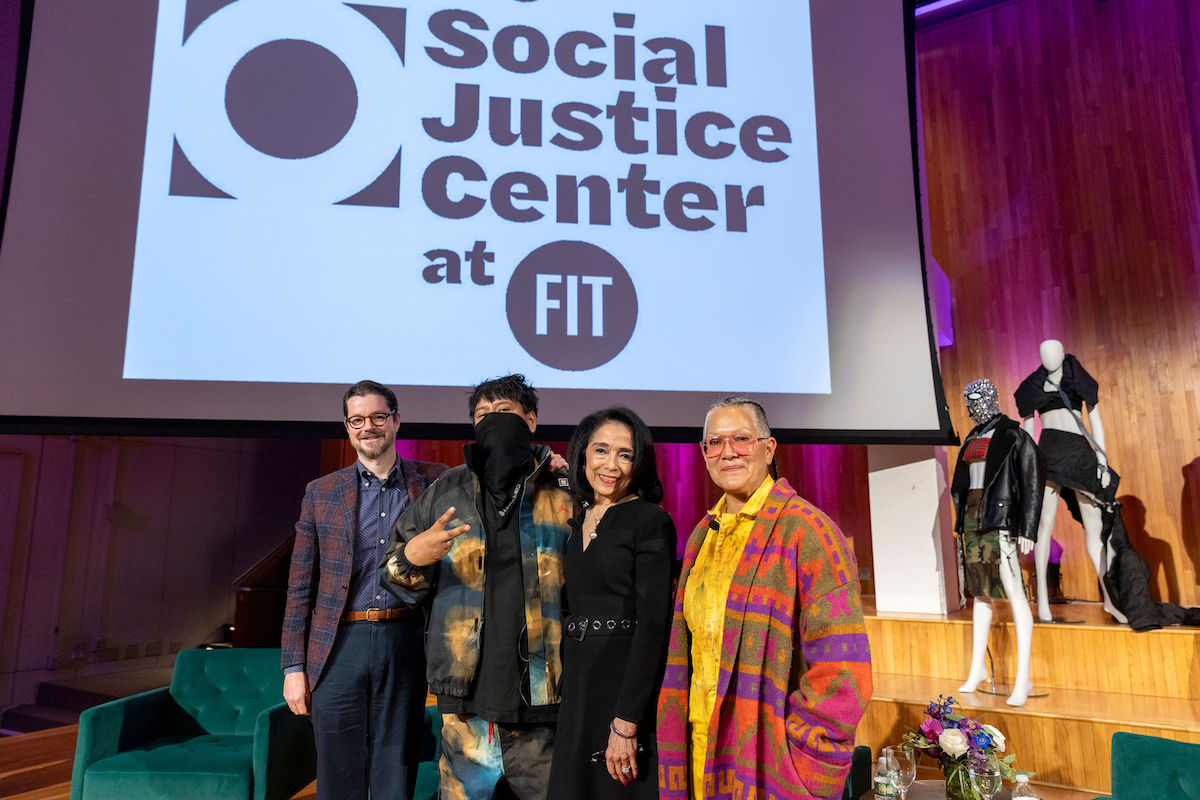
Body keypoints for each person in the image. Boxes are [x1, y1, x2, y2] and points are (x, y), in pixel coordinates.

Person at [656, 397, 872, 800]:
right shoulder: (703, 535)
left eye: (741, 438)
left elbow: (842, 670)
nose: (728, 452)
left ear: (769, 449)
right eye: (714, 442)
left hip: (770, 762)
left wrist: (807, 759)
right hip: (702, 753)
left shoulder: (808, 532)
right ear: (704, 454)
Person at [381, 374, 573, 800]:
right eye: (483, 414)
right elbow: (392, 577)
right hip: (465, 703)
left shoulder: (565, 489)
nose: (493, 422)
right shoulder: (445, 490)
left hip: (545, 699)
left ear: (531, 420)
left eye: (505, 412)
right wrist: (413, 556)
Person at [281, 380, 447, 800]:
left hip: (407, 641)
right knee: (337, 772)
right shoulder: (321, 492)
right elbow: (299, 586)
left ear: (396, 420)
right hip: (339, 646)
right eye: (357, 420)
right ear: (347, 426)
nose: (367, 427)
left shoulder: (434, 481)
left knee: (397, 768)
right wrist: (292, 668)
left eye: (377, 417)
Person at [547, 407, 676, 799]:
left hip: (622, 687)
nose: (611, 466)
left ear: (639, 463)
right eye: (601, 450)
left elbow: (653, 626)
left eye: (625, 455)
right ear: (583, 453)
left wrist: (626, 721)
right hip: (579, 684)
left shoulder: (650, 521)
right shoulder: (579, 517)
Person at [1015, 339, 1127, 623]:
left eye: (1054, 353)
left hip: (1078, 453)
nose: (1049, 358)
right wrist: (1027, 466)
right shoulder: (1033, 386)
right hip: (1049, 453)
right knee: (1044, 525)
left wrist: (1102, 461)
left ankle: (1110, 599)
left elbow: (1096, 422)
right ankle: (1042, 602)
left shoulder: (1078, 379)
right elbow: (1028, 430)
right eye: (1043, 354)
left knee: (1095, 527)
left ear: (1063, 353)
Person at [951, 379, 1044, 706]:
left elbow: (1033, 480)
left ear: (990, 398)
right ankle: (977, 668)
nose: (971, 407)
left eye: (976, 399)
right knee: (980, 592)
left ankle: (1023, 677)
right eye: (968, 401)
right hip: (973, 517)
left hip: (999, 517)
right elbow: (962, 485)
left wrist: (1028, 528)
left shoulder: (1013, 435)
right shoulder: (972, 437)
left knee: (1014, 591)